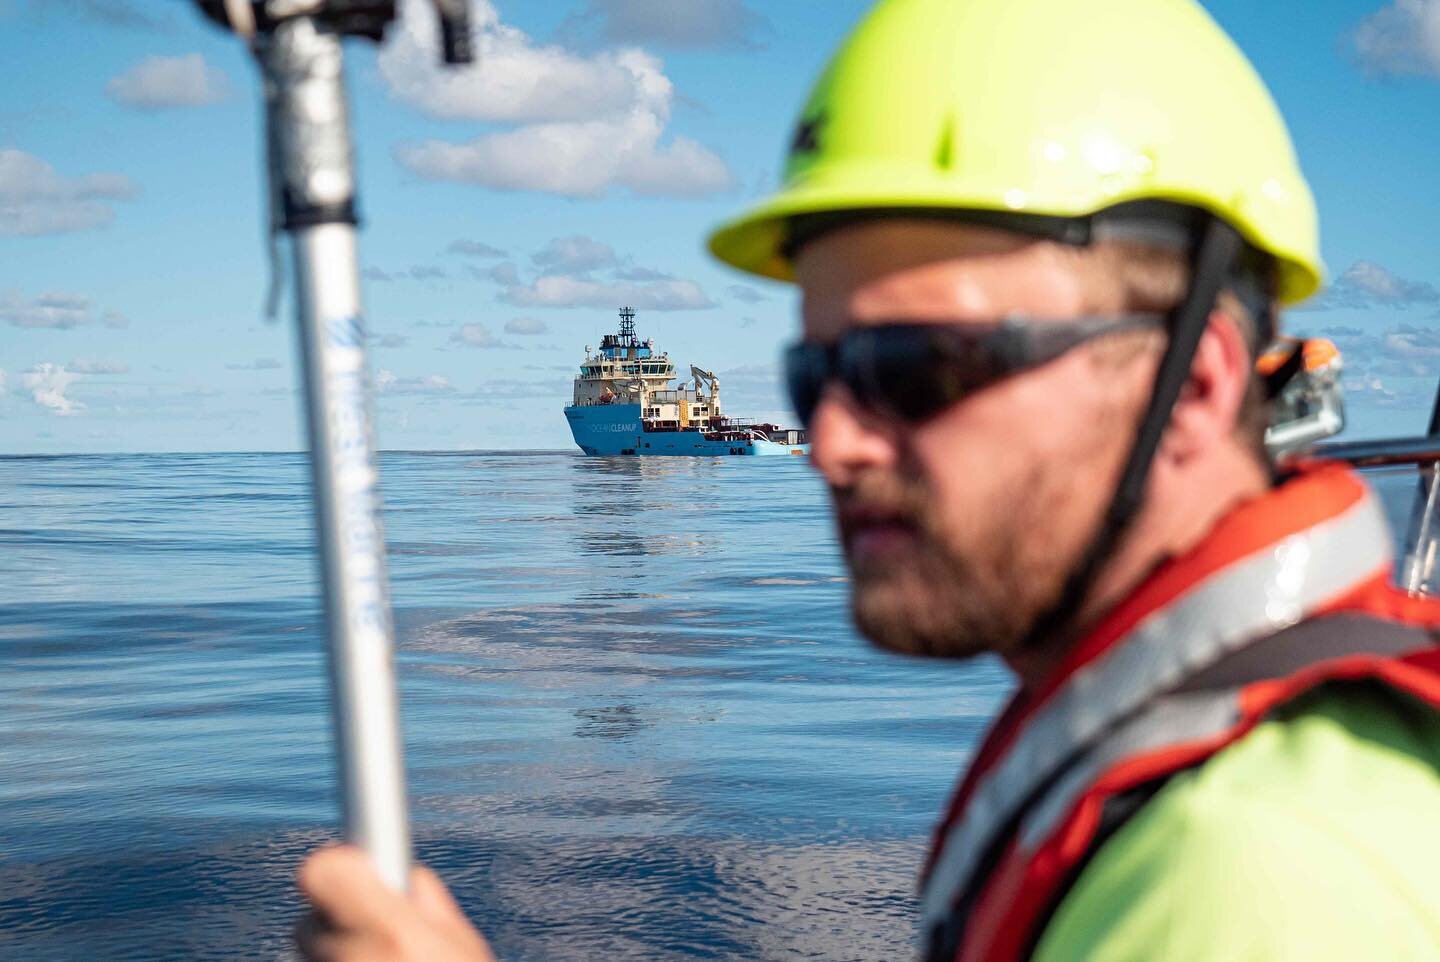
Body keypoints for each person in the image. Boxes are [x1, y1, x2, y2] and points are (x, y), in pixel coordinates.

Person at [295, 0, 1440, 959]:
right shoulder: (1220, 765)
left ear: (1193, 384)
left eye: (917, 365)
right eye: (816, 370)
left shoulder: (1246, 884)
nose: (834, 441)